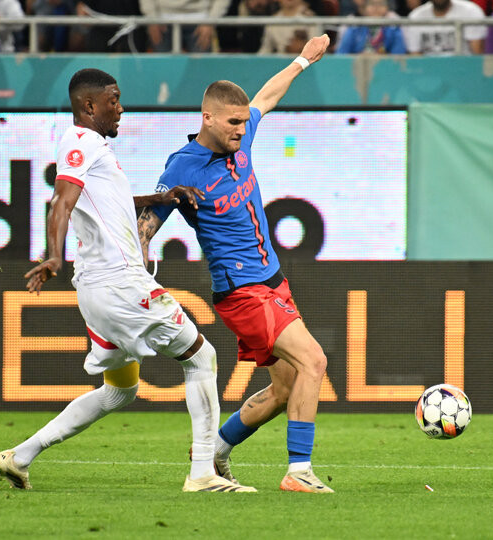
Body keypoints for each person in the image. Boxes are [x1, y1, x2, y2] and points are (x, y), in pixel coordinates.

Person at [0, 68, 255, 494]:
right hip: (120, 284)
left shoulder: (93, 149)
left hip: (96, 291)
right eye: (113, 100)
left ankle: (19, 457)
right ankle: (203, 473)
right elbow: (61, 201)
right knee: (201, 358)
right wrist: (54, 255)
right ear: (89, 105)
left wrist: (159, 198)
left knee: (119, 392)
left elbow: (105, 202)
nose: (121, 108)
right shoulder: (80, 141)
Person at [137, 35, 335, 493]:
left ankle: (215, 452)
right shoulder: (182, 168)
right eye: (233, 122)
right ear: (206, 118)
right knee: (314, 361)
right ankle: (298, 472)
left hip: (273, 282)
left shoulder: (241, 137)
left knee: (285, 389)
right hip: (242, 293)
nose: (242, 130)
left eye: (244, 123)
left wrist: (303, 61)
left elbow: (266, 96)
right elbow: (148, 223)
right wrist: (139, 256)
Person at [139, 0, 230, 52]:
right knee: (162, 70)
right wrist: (152, 17)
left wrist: (211, 20)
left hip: (201, 20)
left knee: (202, 70)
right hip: (161, 20)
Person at [404, 0, 486, 55]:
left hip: (463, 68)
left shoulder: (470, 11)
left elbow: (477, 54)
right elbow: (415, 55)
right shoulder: (415, 16)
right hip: (429, 70)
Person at [336, 0, 406, 54]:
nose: (376, 8)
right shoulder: (354, 28)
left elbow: (399, 55)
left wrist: (382, 58)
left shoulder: (393, 29)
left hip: (385, 66)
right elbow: (342, 54)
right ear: (364, 8)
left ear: (387, 8)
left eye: (381, 4)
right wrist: (359, 58)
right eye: (372, 4)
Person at [257, 0, 322, 54]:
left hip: (305, 62)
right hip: (280, 62)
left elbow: (317, 49)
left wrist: (302, 48)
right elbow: (265, 49)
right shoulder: (272, 21)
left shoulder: (311, 18)